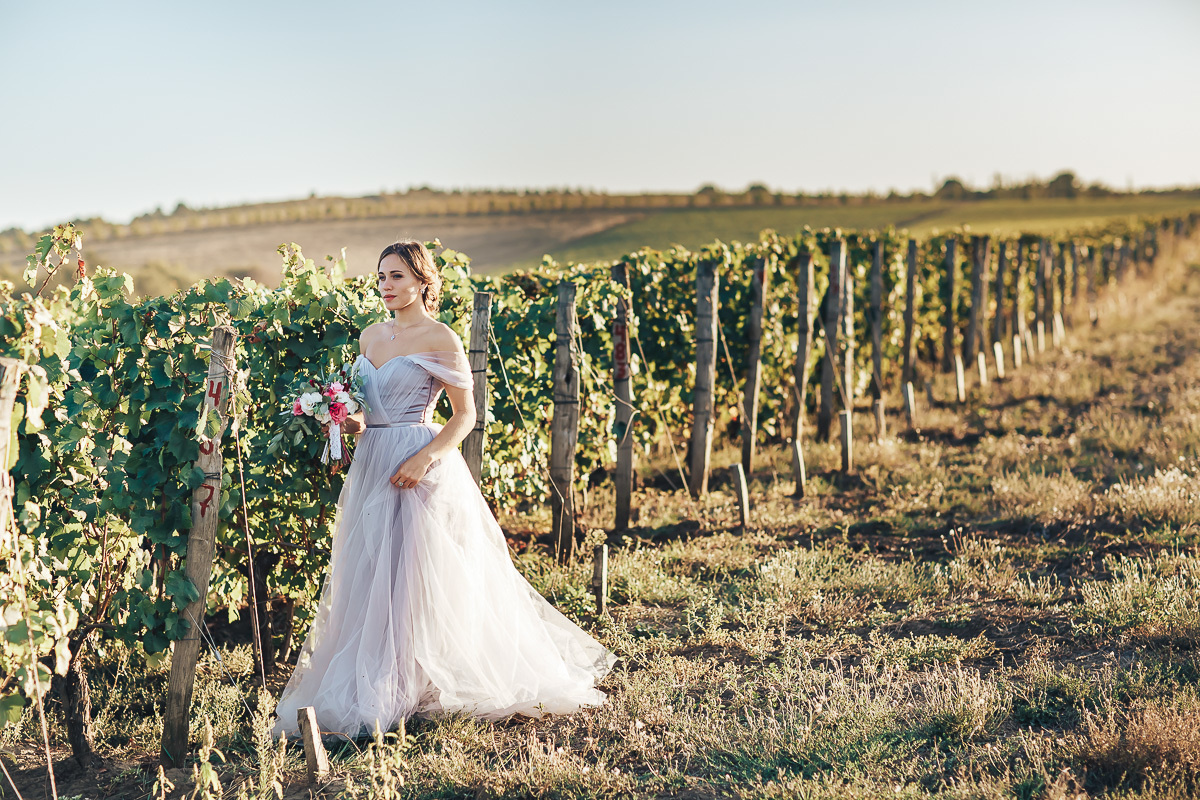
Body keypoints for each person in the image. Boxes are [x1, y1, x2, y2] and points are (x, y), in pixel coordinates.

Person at [272, 240, 617, 740]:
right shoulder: (369, 337)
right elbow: (372, 412)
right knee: (368, 572)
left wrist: (425, 457)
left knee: (413, 576)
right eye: (381, 277)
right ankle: (379, 682)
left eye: (396, 277)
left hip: (419, 462)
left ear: (421, 282)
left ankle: (412, 684)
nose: (386, 287)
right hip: (372, 459)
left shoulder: (441, 338)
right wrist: (342, 420)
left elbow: (466, 415)